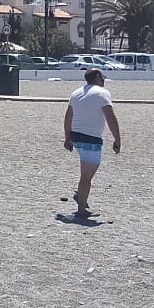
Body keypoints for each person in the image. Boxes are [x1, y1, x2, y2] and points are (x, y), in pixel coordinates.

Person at [63, 68, 122, 219]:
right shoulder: (102, 93)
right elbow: (110, 117)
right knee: (86, 176)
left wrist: (68, 137)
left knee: (89, 172)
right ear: (97, 77)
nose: (103, 80)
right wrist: (117, 138)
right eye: (102, 77)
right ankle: (81, 209)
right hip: (91, 138)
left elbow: (68, 116)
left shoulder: (76, 93)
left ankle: (80, 194)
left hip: (77, 136)